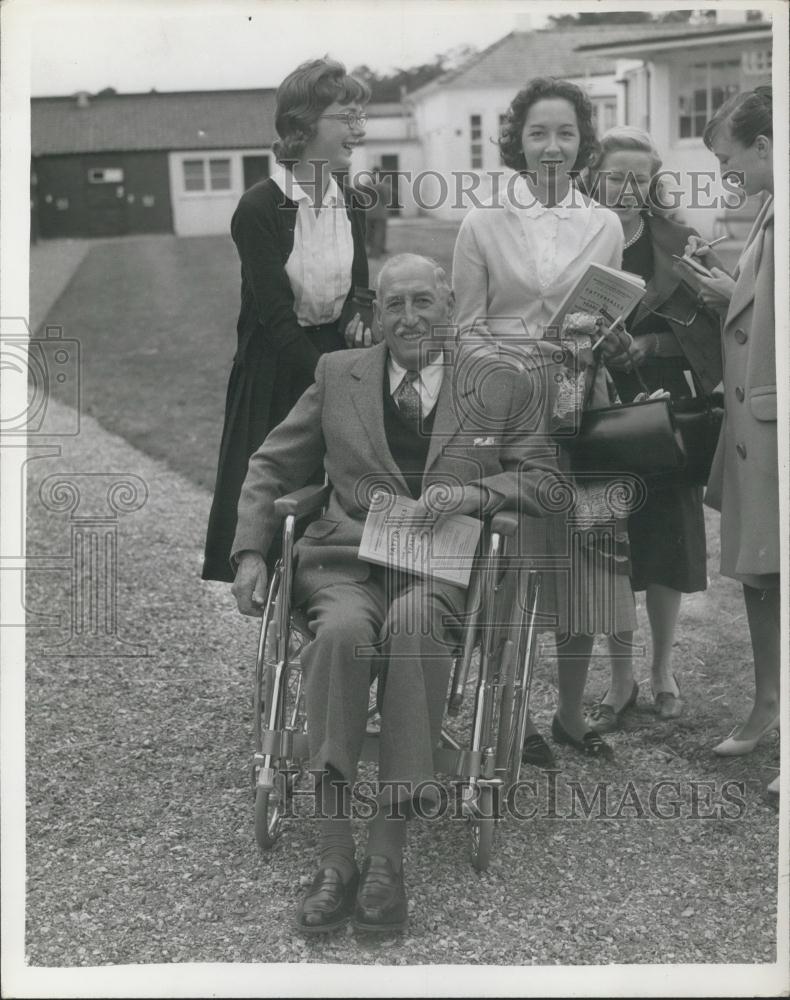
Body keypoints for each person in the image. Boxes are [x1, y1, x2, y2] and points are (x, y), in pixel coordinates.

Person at [231, 254, 560, 933]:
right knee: (344, 635)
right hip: (346, 561)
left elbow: (539, 478)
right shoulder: (337, 373)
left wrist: (474, 492)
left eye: (423, 302)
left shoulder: (500, 381)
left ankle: (386, 858)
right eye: (393, 305)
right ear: (374, 315)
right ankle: (333, 859)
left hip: (437, 571)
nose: (409, 317)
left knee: (412, 630)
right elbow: (272, 463)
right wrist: (250, 550)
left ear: (448, 305)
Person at [452, 76, 636, 762]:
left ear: (583, 141)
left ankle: (568, 715)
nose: (553, 146)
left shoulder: (606, 223)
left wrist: (607, 342)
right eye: (538, 133)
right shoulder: (482, 222)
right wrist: (523, 367)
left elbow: (606, 311)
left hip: (586, 410)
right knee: (517, 567)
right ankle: (511, 716)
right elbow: (465, 330)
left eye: (565, 132)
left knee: (590, 565)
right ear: (518, 143)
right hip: (511, 420)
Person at [202, 58, 373, 582]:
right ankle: (274, 631)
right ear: (302, 126)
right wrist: (333, 381)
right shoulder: (259, 209)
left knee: (342, 505)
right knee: (274, 510)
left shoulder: (354, 199)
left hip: (337, 361)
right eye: (345, 117)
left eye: (359, 117)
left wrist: (361, 316)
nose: (358, 129)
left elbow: (359, 285)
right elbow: (276, 317)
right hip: (277, 371)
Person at [584, 127, 723, 731]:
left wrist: (648, 342)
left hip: (664, 406)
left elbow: (720, 321)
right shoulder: (577, 233)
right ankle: (620, 675)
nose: (627, 187)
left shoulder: (680, 241)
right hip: (593, 405)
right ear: (595, 175)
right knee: (608, 544)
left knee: (665, 542)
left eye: (640, 177)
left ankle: (663, 669)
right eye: (616, 175)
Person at [677, 87, 779, 792]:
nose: (723, 177)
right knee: (759, 572)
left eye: (727, 160)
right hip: (755, 424)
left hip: (776, 425)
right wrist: (724, 290)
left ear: (767, 146)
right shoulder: (771, 206)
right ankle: (767, 703)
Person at [366, 166, 392, 258]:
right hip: (380, 213)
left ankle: (371, 251)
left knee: (370, 233)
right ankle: (376, 253)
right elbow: (386, 200)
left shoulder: (366, 184)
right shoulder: (383, 185)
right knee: (379, 233)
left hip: (368, 212)